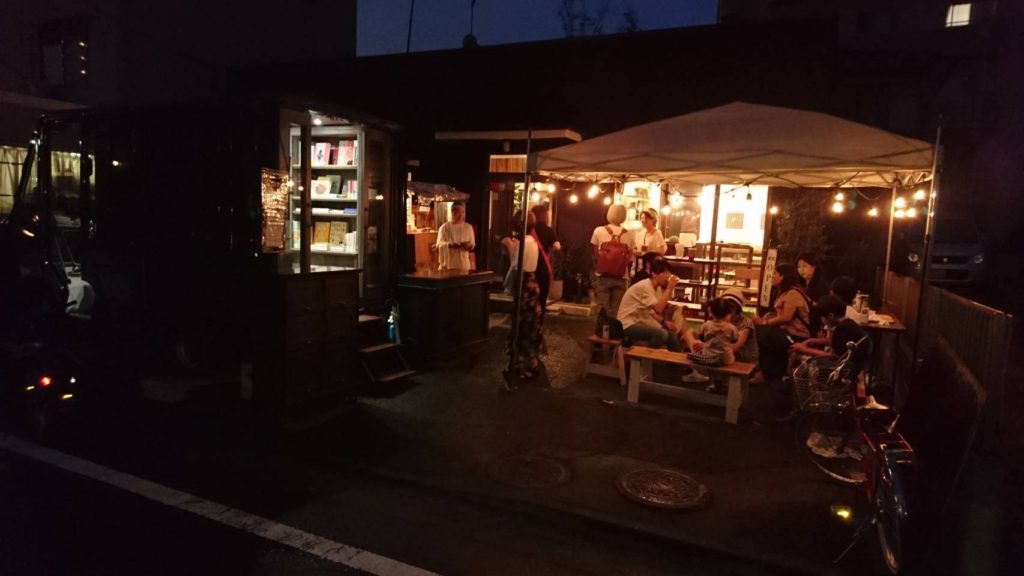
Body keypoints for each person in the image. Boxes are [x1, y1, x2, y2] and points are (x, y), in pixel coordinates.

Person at [753, 263, 812, 382]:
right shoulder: (784, 292)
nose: (772, 276)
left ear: (783, 276)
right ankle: (768, 372)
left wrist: (764, 322)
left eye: (775, 273)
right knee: (764, 335)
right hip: (786, 333)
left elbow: (786, 317)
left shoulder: (792, 293)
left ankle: (766, 373)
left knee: (763, 333)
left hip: (796, 337)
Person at [504, 210, 544, 380]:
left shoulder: (524, 243)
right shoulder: (533, 241)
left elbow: (515, 266)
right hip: (532, 284)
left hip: (524, 286)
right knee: (529, 326)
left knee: (522, 326)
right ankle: (529, 365)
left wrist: (509, 246)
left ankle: (522, 366)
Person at [616, 258, 683, 351]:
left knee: (672, 336)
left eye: (668, 273)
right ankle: (643, 357)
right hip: (627, 325)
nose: (667, 276)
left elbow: (652, 312)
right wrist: (669, 288)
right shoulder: (645, 286)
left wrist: (664, 322)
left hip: (639, 322)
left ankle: (676, 360)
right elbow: (658, 309)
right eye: (664, 273)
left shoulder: (657, 288)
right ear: (653, 274)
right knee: (661, 334)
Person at [590, 204, 633, 319]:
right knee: (617, 309)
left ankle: (602, 328)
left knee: (602, 308)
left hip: (602, 275)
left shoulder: (598, 230)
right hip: (621, 276)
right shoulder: (629, 234)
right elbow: (630, 257)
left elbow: (596, 254)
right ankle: (614, 329)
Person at [530, 204, 559, 324]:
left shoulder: (529, 229)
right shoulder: (548, 230)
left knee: (529, 298)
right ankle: (539, 324)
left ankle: (529, 323)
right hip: (542, 269)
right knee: (542, 299)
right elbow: (557, 246)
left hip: (530, 270)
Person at [720, 287, 759, 366]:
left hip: (745, 364)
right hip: (725, 361)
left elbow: (733, 348)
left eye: (732, 306)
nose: (728, 309)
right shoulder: (718, 319)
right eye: (725, 306)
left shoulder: (746, 322)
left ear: (738, 308)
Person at [436, 203, 475, 271]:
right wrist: (450, 245)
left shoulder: (468, 227)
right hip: (447, 265)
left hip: (463, 265)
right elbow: (439, 245)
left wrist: (468, 246)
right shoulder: (444, 227)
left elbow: (472, 245)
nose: (460, 215)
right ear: (452, 213)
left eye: (463, 212)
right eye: (457, 213)